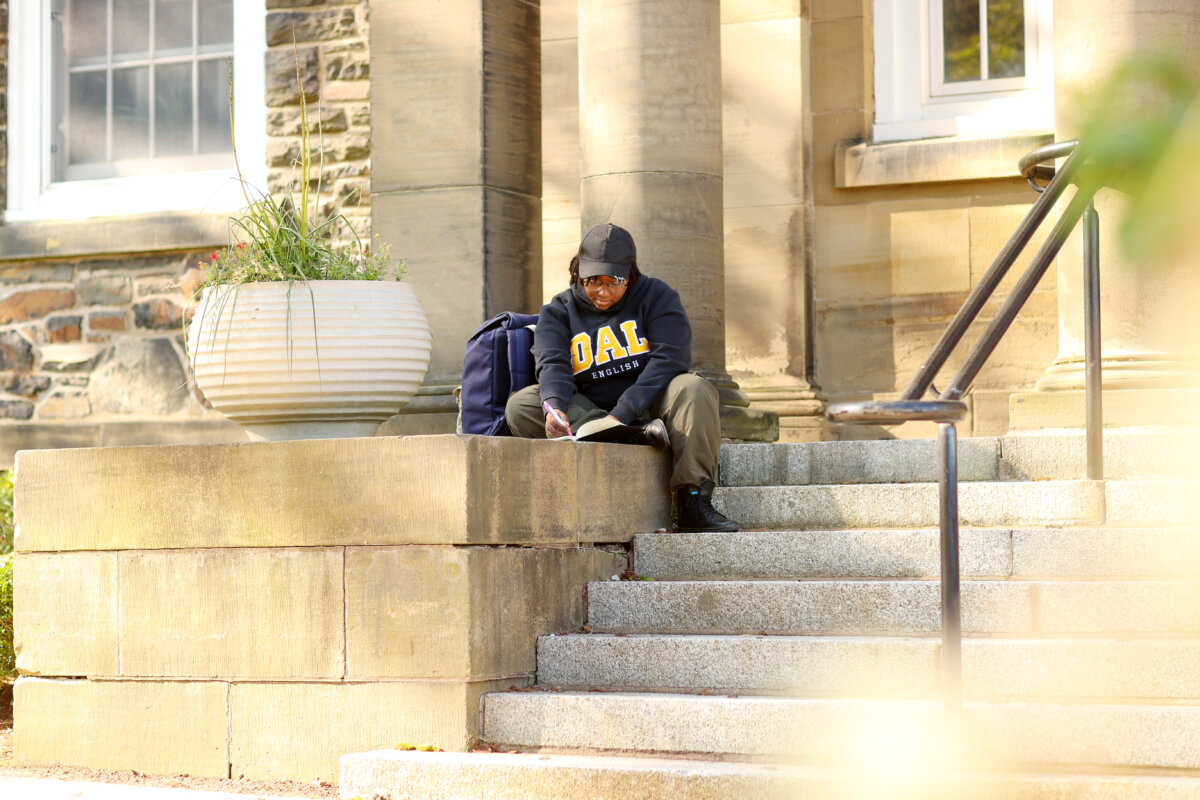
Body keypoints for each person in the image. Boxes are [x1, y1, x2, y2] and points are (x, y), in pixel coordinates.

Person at [505, 222, 739, 533]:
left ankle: (692, 500)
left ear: (630, 275)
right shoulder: (558, 310)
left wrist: (623, 413)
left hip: (651, 402)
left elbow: (670, 359)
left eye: (614, 282)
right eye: (592, 282)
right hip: (589, 410)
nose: (603, 292)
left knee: (694, 388)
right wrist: (554, 406)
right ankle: (637, 435)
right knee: (522, 405)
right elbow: (553, 364)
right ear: (577, 273)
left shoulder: (657, 296)